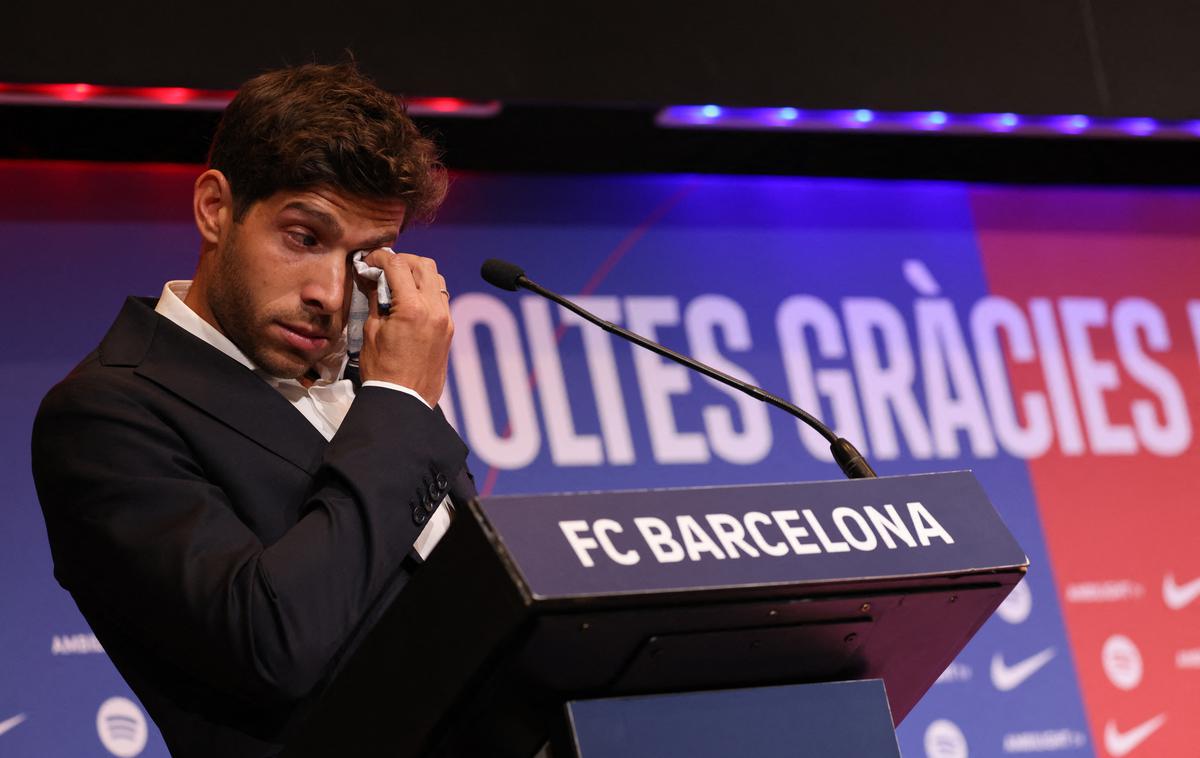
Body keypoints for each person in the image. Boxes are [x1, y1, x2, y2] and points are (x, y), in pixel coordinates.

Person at [30, 62, 472, 757]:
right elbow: (274, 643)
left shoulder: (370, 379)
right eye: (305, 237)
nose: (332, 293)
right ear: (215, 209)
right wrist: (400, 404)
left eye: (363, 260)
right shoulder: (105, 414)